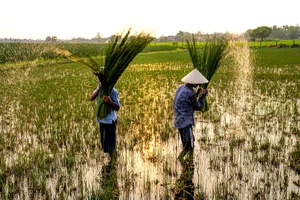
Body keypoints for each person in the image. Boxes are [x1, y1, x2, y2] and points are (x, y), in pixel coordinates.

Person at [173, 69, 208, 165]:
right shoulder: (190, 93)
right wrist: (203, 96)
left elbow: (187, 100)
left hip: (178, 120)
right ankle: (181, 159)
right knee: (190, 144)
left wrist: (197, 94)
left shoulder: (180, 87)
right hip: (185, 121)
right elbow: (198, 106)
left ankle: (190, 162)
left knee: (187, 142)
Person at [90, 80, 121, 166]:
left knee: (111, 145)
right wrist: (98, 89)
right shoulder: (99, 89)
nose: (100, 82)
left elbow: (118, 107)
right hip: (102, 121)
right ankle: (112, 161)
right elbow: (91, 98)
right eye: (100, 81)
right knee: (105, 144)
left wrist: (110, 101)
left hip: (110, 122)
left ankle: (114, 162)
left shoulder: (113, 91)